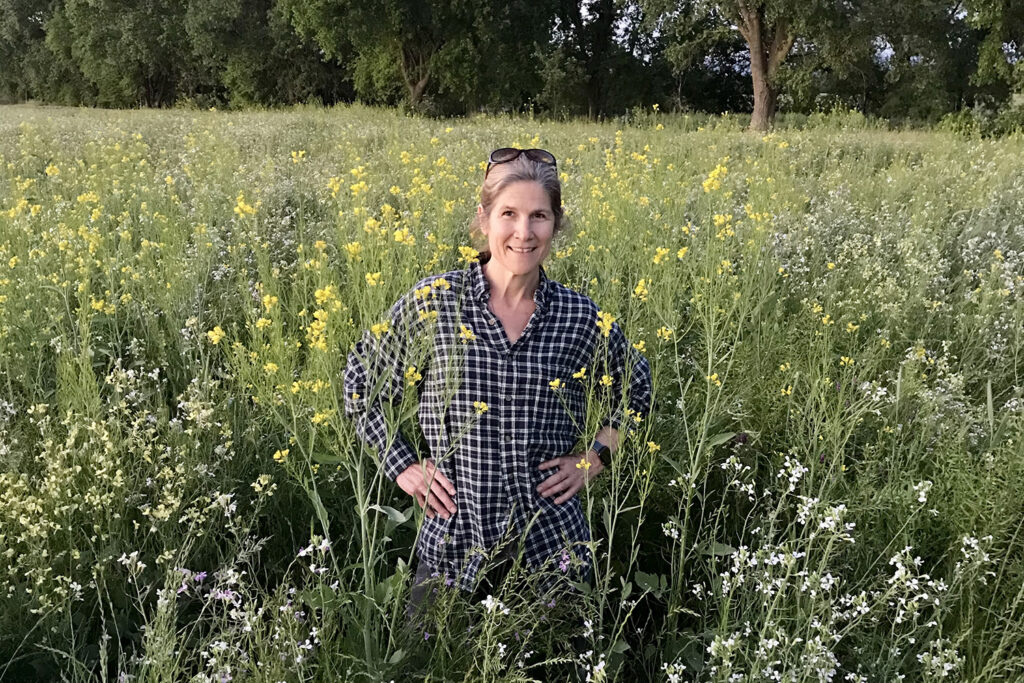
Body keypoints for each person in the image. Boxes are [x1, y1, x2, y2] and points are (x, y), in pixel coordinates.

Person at [343, 147, 652, 614]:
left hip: (553, 546)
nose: (524, 233)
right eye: (509, 214)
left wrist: (593, 460)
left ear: (556, 225)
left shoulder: (578, 316)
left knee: (560, 658)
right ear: (484, 220)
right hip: (453, 542)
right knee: (432, 661)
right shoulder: (435, 304)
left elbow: (636, 390)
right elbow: (360, 383)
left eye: (539, 216)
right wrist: (404, 466)